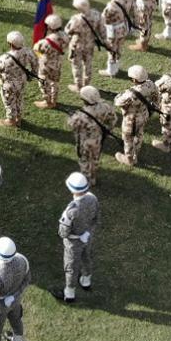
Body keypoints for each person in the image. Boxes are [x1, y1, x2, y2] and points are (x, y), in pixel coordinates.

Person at [55, 172, 99, 304]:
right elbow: (96, 218)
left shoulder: (71, 210)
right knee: (86, 258)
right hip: (88, 236)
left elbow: (63, 232)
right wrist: (87, 232)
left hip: (73, 242)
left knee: (71, 266)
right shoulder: (93, 198)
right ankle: (86, 281)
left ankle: (69, 293)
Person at [69, 86, 116, 186]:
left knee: (84, 159)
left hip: (85, 141)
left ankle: (87, 180)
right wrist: (108, 129)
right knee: (95, 158)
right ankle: (93, 177)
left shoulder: (80, 116)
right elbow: (113, 119)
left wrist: (71, 116)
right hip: (98, 138)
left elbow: (72, 126)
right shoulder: (105, 106)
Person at [113, 65, 157, 166]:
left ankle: (129, 159)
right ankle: (136, 153)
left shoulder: (130, 94)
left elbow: (118, 102)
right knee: (139, 134)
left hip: (131, 121)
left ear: (134, 79)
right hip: (144, 115)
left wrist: (120, 95)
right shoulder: (150, 84)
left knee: (128, 139)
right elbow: (156, 97)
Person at [0, 30, 35, 127]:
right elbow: (35, 63)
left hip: (9, 85)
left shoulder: (4, 59)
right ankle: (19, 118)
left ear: (10, 43)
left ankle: (11, 120)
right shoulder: (28, 52)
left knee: (9, 101)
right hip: (22, 81)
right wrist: (32, 74)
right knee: (19, 98)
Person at [65, 0, 102, 91]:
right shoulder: (96, 15)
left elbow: (67, 31)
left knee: (77, 66)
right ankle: (87, 84)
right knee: (88, 64)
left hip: (77, 45)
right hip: (90, 44)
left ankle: (78, 86)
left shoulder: (75, 19)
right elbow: (102, 30)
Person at [99, 0, 135, 77]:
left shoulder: (110, 6)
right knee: (119, 47)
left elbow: (103, 19)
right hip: (123, 28)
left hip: (113, 31)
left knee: (111, 50)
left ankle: (111, 71)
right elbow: (134, 10)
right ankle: (116, 67)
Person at [34, 13, 67, 109]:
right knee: (55, 82)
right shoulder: (64, 35)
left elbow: (37, 49)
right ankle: (54, 101)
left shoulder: (46, 42)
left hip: (46, 64)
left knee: (43, 81)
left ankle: (47, 102)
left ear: (50, 27)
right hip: (58, 62)